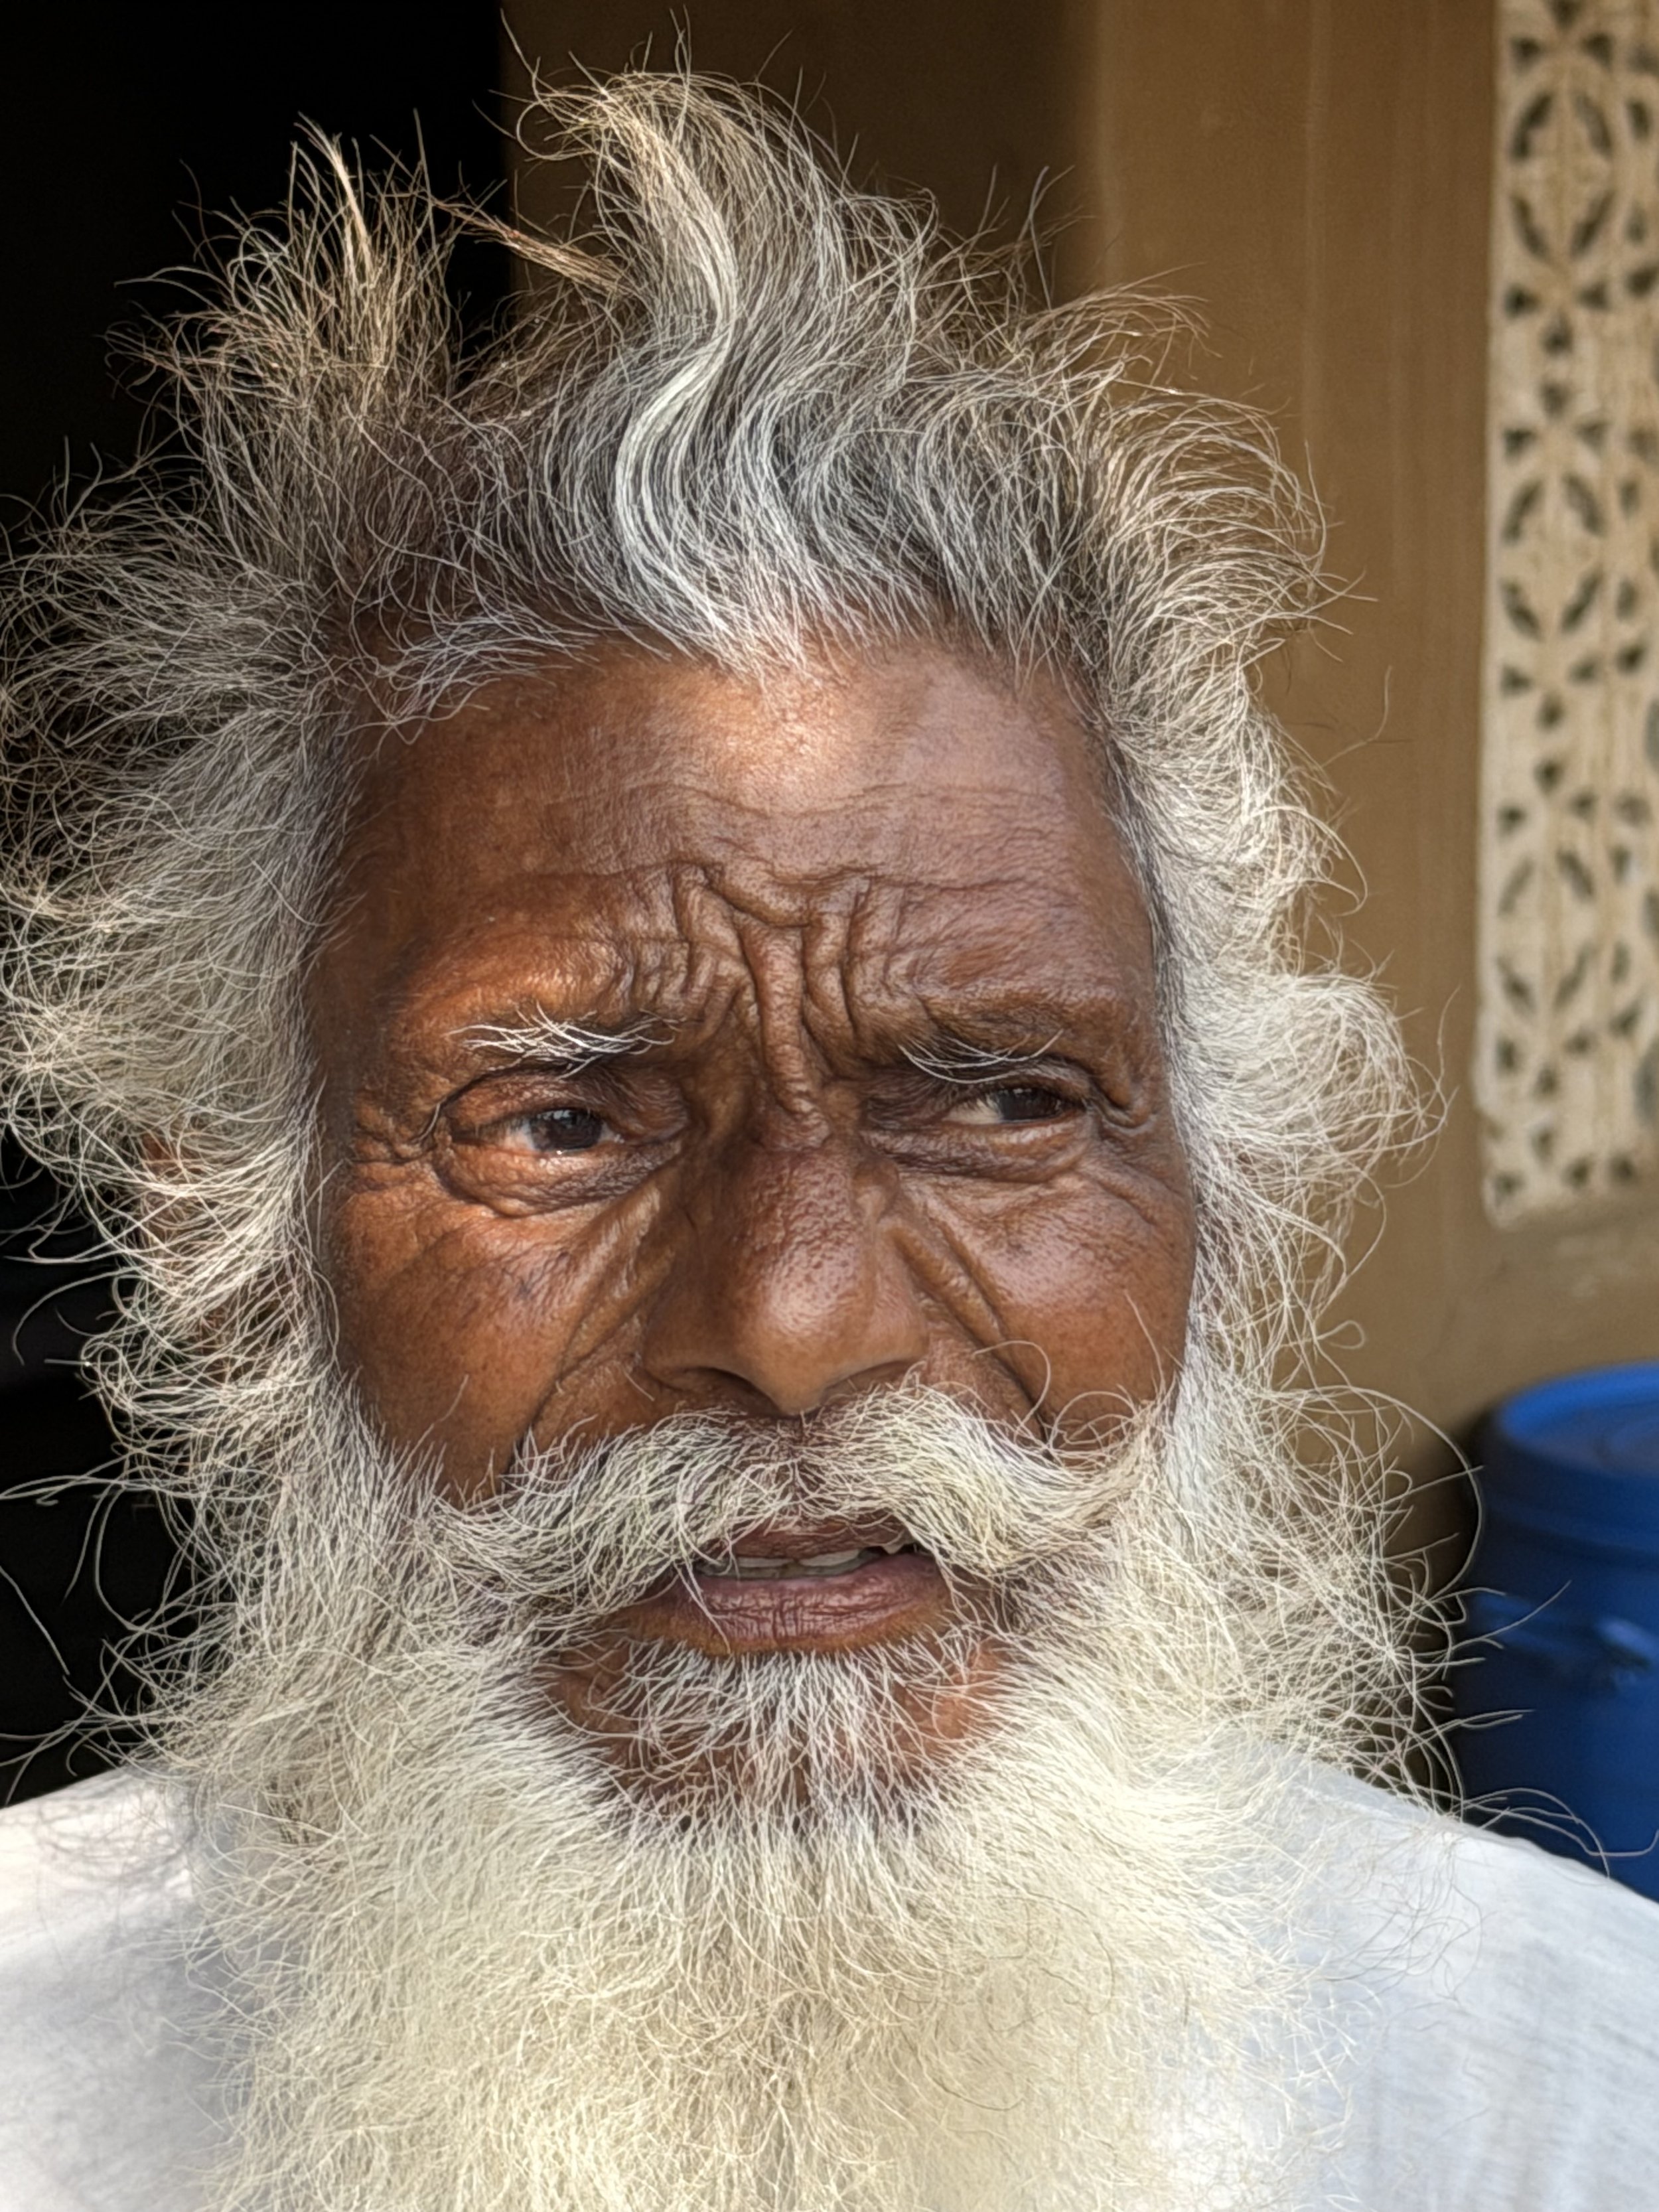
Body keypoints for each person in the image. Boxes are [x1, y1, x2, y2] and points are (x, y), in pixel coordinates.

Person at [0, 70, 1654, 2212]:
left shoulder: (1562, 2106)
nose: (793, 1329)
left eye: (992, 1103)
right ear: (228, 1258)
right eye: (563, 1119)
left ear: (1228, 1202)